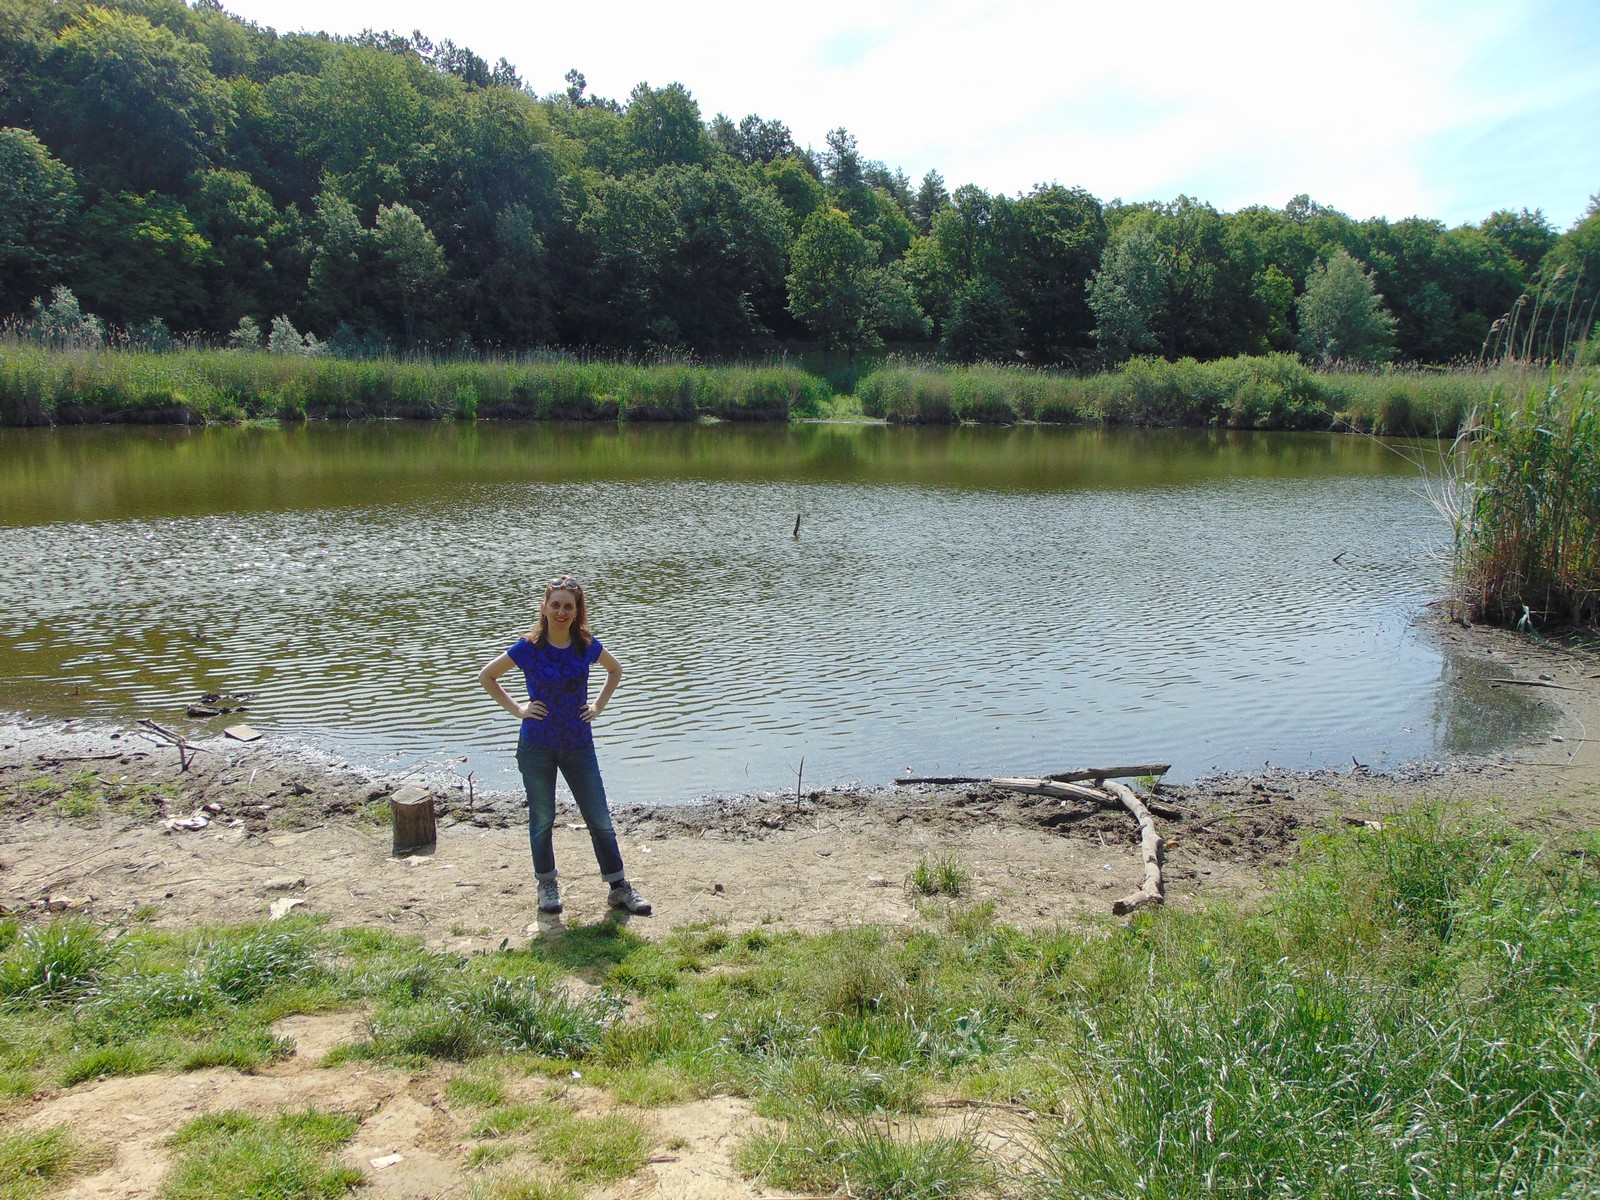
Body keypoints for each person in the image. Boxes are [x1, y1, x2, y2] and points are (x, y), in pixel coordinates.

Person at [478, 575, 651, 916]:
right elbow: (487, 676)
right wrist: (518, 709)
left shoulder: (585, 644)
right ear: (544, 608)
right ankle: (546, 884)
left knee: (599, 817)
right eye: (555, 605)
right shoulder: (528, 647)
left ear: (576, 611)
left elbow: (615, 670)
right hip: (537, 745)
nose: (561, 612)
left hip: (578, 744)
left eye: (568, 607)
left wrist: (598, 706)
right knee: (542, 819)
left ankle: (618, 887)